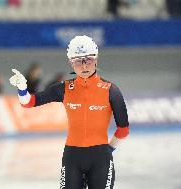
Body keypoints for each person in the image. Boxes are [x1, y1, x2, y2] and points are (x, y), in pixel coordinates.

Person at [9, 35, 129, 189]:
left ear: (96, 59)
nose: (84, 65)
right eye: (78, 61)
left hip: (100, 159)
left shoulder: (111, 90)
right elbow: (29, 102)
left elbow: (123, 129)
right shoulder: (63, 89)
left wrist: (107, 150)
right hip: (73, 158)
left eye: (89, 59)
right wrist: (22, 89)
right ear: (71, 62)